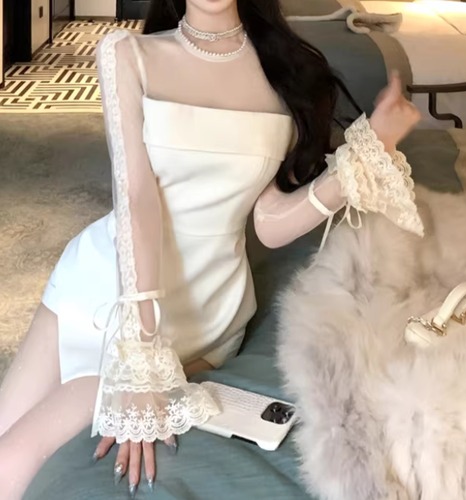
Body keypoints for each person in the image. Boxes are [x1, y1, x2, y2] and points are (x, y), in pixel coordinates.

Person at [0, 0, 422, 498]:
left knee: (13, 459)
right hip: (99, 284)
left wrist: (368, 153)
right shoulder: (127, 53)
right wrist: (140, 353)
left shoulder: (286, 75)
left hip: (206, 319)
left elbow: (268, 223)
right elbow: (136, 198)